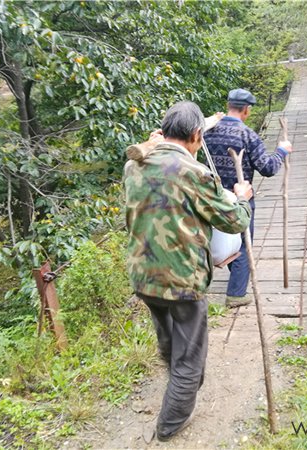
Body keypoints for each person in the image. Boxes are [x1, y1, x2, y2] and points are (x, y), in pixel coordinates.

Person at [123, 101, 253, 442]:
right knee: (190, 354)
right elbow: (234, 220)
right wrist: (241, 197)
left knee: (166, 332)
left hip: (143, 275)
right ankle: (170, 424)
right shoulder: (194, 173)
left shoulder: (133, 166)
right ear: (196, 135)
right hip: (182, 280)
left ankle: (177, 375)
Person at [204, 88, 293, 308]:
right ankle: (236, 294)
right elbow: (268, 168)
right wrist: (282, 151)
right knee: (243, 242)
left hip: (210, 196)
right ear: (246, 110)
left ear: (228, 106)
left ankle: (207, 284)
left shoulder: (208, 130)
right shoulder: (247, 135)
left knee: (213, 240)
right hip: (239, 196)